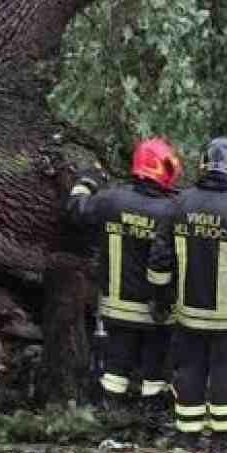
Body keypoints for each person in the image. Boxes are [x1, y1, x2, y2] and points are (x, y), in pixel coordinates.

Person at [147, 138, 227, 448]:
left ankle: (187, 437)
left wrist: (161, 299)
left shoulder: (179, 204)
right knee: (223, 373)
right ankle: (222, 441)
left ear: (202, 165)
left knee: (188, 370)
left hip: (188, 314)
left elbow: (160, 260)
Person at [64, 139, 183, 422]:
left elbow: (75, 209)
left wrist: (87, 180)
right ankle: (151, 423)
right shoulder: (172, 211)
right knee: (155, 374)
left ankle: (109, 419)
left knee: (115, 370)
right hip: (158, 311)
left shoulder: (111, 200)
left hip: (117, 309)